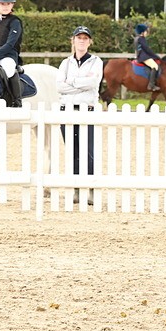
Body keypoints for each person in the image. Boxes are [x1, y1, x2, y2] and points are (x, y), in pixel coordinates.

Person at [57, 26, 104, 204]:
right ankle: (76, 187)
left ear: (90, 41)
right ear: (74, 40)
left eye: (85, 38)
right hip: (67, 110)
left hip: (87, 110)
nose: (82, 41)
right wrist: (80, 84)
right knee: (73, 151)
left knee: (88, 151)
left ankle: (90, 188)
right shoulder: (65, 63)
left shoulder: (96, 62)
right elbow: (59, 86)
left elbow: (93, 83)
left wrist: (72, 81)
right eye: (79, 38)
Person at [134, 23, 161, 91]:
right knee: (155, 66)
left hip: (141, 56)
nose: (147, 33)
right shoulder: (141, 39)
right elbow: (146, 49)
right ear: (142, 32)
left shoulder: (137, 38)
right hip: (143, 57)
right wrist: (155, 56)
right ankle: (151, 85)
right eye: (146, 31)